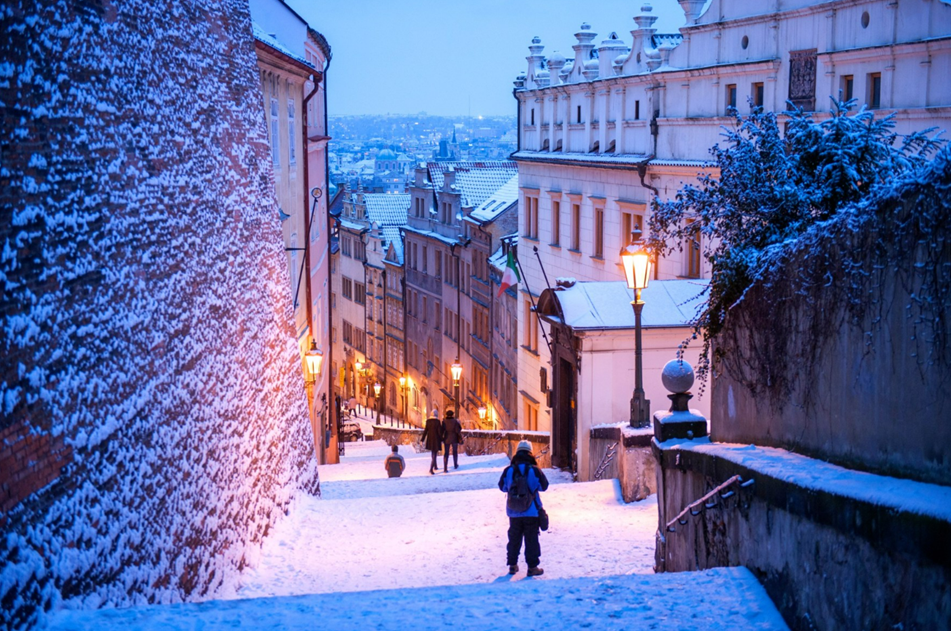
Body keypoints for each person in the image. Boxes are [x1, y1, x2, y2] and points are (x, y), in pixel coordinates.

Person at [498, 440, 549, 576]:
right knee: (531, 539)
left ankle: (513, 566)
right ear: (530, 453)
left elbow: (502, 487)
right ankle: (532, 567)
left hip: (513, 512)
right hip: (531, 511)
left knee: (514, 538)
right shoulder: (534, 470)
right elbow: (544, 486)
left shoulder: (509, 470)